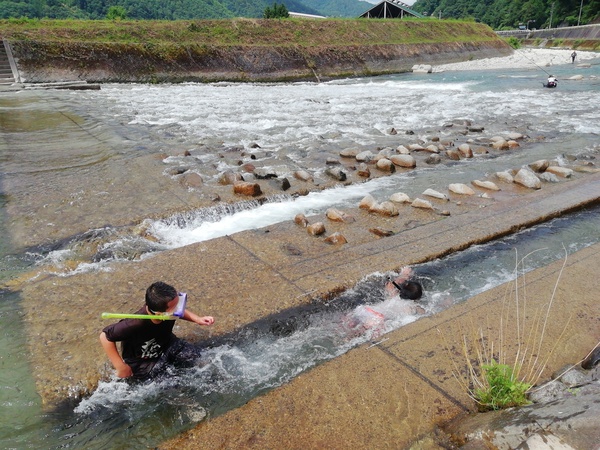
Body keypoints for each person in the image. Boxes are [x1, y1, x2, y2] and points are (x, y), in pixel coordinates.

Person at [100, 281, 214, 380]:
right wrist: (120, 366)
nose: (180, 308)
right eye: (176, 307)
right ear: (161, 314)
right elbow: (105, 336)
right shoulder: (135, 324)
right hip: (146, 361)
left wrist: (197, 319)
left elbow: (179, 310)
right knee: (174, 387)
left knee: (203, 360)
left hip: (168, 344)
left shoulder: (168, 311)